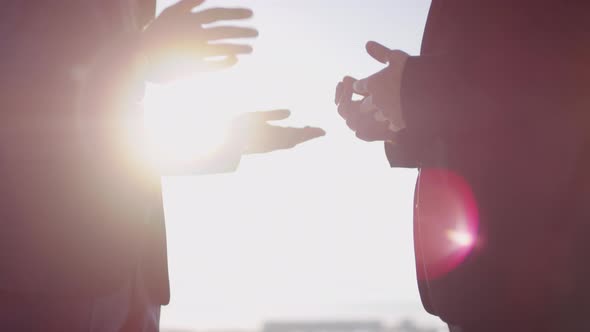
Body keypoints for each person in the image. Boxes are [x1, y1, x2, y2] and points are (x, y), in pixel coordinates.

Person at [0, 0, 324, 331]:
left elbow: (103, 135)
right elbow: (26, 94)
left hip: (132, 274)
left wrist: (228, 143)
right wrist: (137, 54)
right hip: (47, 274)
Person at [335, 1, 590, 331]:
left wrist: (416, 91)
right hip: (495, 291)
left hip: (541, 285)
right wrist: (401, 121)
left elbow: (563, 79)